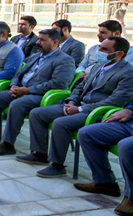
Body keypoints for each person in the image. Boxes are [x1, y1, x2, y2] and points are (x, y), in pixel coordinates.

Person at [21, 36, 133, 178]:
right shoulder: (98, 67)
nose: (99, 51)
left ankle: (57, 165)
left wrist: (79, 109)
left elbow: (115, 101)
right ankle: (39, 154)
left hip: (96, 112)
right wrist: (72, 102)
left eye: (105, 49)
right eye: (100, 47)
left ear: (119, 54)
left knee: (61, 123)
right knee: (37, 113)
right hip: (78, 105)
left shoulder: (128, 73)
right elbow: (80, 87)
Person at [0, 29, 75, 151]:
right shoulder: (35, 56)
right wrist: (14, 85)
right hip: (21, 90)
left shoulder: (65, 60)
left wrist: (27, 90)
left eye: (42, 40)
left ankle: (8, 144)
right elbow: (18, 74)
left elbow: (58, 84)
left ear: (55, 42)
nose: (37, 42)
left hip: (41, 95)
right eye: (38, 39)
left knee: (17, 104)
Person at [75, 106, 133, 215]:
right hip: (130, 123)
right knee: (87, 133)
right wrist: (129, 109)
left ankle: (131, 197)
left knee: (126, 146)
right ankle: (104, 182)